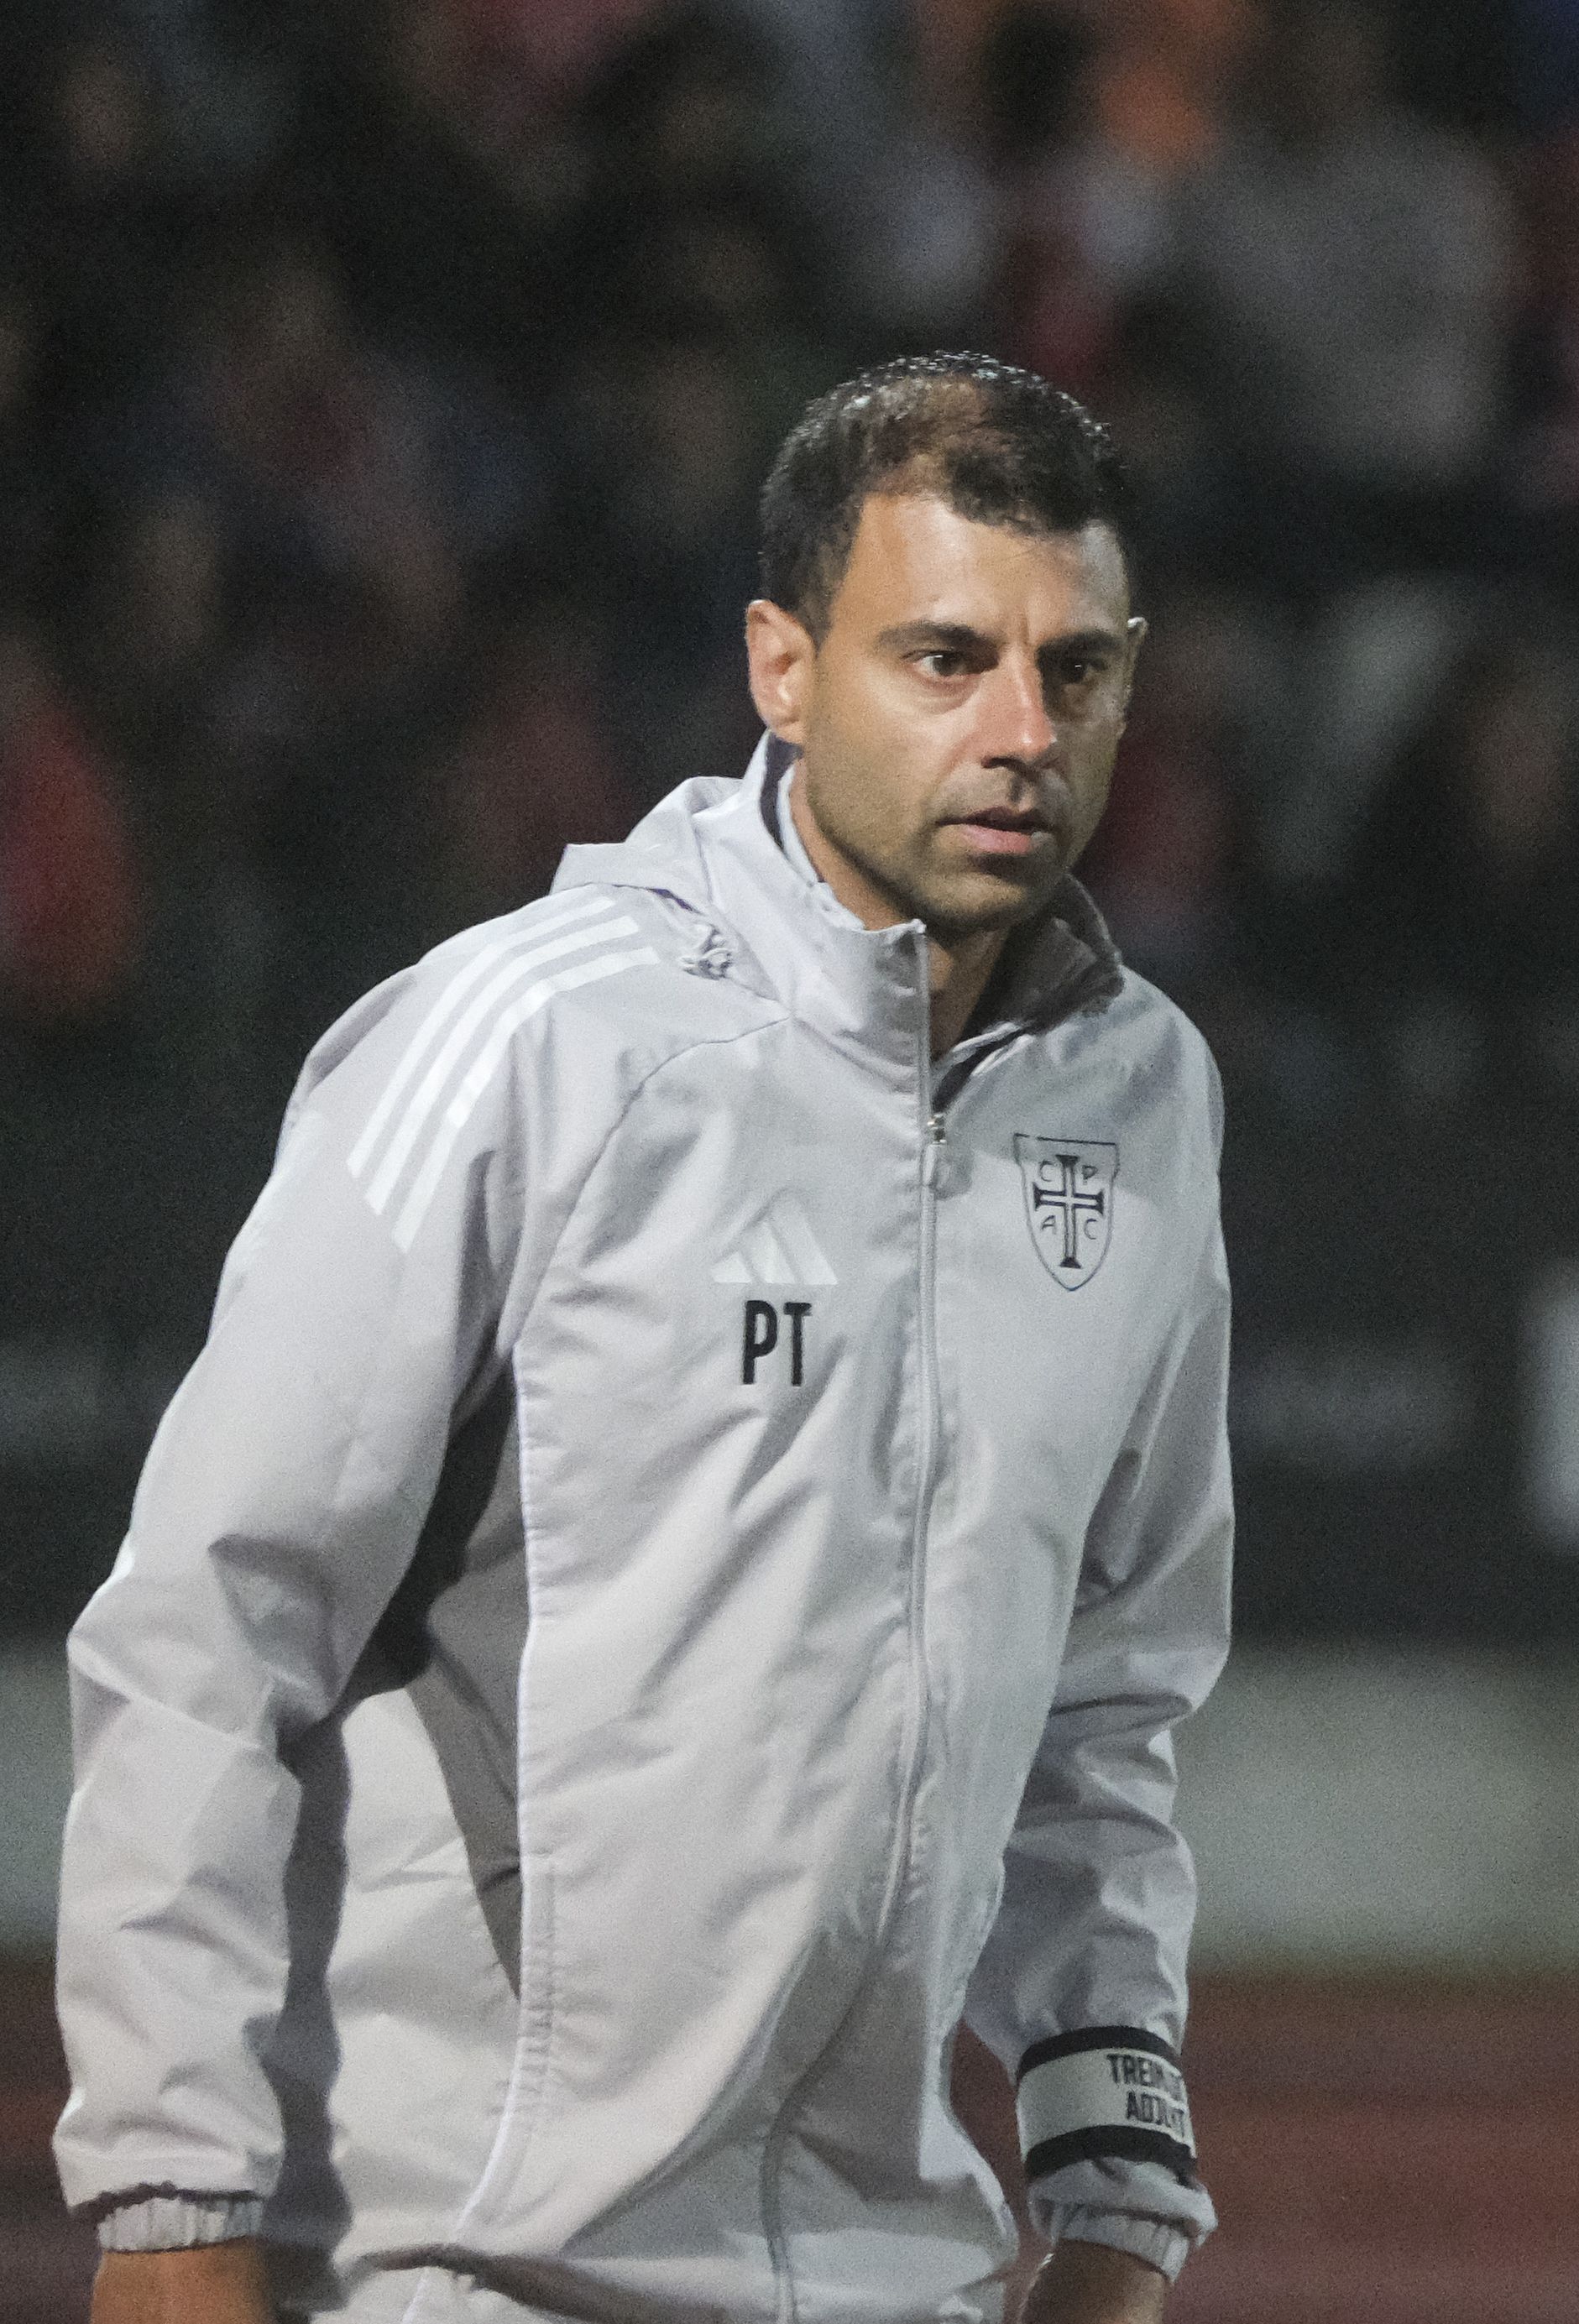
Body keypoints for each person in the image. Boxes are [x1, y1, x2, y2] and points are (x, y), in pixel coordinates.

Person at [56, 355, 1231, 2324]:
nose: (1023, 730)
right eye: (944, 658)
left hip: (896, 2283)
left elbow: (1108, 1704)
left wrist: (1116, 2198)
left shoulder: (1147, 1100)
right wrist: (170, 2205)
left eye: (1077, 668)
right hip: (465, 2269)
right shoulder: (526, 1038)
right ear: (782, 666)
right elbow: (204, 1624)